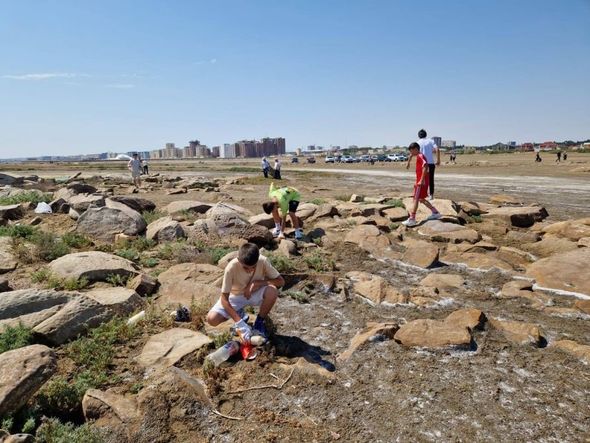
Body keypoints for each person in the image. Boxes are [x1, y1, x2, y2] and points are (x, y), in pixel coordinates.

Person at [206, 243, 284, 343]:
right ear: (239, 260)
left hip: (255, 293)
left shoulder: (263, 261)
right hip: (236, 296)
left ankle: (259, 322)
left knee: (272, 291)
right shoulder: (231, 267)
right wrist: (239, 323)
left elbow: (280, 281)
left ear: (257, 259)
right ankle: (241, 315)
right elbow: (224, 299)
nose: (249, 270)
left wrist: (257, 283)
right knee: (212, 319)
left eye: (253, 267)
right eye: (245, 268)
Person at [402, 143, 441, 227]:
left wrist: (421, 180)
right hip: (421, 181)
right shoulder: (418, 155)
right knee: (421, 199)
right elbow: (413, 158)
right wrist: (408, 162)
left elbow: (426, 166)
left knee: (416, 199)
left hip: (421, 182)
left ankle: (412, 219)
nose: (411, 153)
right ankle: (435, 212)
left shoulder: (420, 156)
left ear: (416, 149)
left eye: (411, 151)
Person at [407, 129, 440, 199]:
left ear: (418, 135)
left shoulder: (417, 142)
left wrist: (408, 163)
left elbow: (411, 153)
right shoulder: (431, 141)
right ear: (426, 134)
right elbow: (437, 149)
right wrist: (438, 160)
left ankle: (420, 194)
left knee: (421, 178)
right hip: (430, 163)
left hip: (421, 163)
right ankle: (431, 195)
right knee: (430, 179)